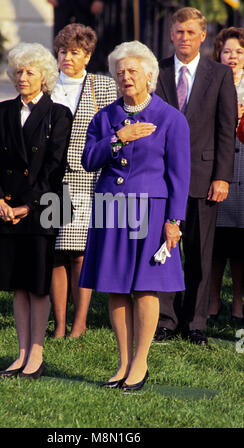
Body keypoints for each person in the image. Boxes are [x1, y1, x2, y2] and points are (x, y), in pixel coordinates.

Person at [79, 41, 190, 391]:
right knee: (115, 288)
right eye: (120, 72)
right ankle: (123, 364)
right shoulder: (105, 117)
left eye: (132, 71)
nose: (125, 77)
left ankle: (140, 365)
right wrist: (119, 138)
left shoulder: (171, 118)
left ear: (149, 76)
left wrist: (175, 221)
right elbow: (88, 161)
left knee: (145, 288)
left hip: (152, 211)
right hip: (111, 209)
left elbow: (179, 175)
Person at [0, 42, 72, 379]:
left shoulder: (58, 114)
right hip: (5, 208)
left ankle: (37, 355)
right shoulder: (1, 111)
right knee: (16, 284)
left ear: (44, 77)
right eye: (18, 71)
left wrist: (25, 206)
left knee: (37, 284)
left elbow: (54, 167)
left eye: (30, 72)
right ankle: (20, 354)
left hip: (41, 208)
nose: (22, 77)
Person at [155, 7, 237, 345]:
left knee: (201, 254)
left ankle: (195, 323)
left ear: (203, 36)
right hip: (161, 178)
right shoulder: (156, 71)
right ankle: (165, 319)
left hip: (205, 179)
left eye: (190, 32)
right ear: (171, 34)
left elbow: (225, 129)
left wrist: (223, 177)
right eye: (179, 32)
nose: (184, 38)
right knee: (165, 249)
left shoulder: (218, 74)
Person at [50, 23, 117, 338]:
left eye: (75, 52)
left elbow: (111, 131)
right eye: (63, 51)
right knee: (55, 253)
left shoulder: (100, 86)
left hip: (87, 178)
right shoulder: (47, 84)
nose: (68, 58)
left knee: (79, 252)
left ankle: (80, 322)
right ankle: (59, 323)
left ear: (88, 56)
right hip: (50, 180)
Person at [209, 27, 244, 326]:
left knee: (240, 244)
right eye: (227, 52)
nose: (232, 57)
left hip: (243, 168)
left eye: (238, 52)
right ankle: (212, 299)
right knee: (216, 242)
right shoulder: (212, 82)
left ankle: (238, 303)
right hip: (218, 169)